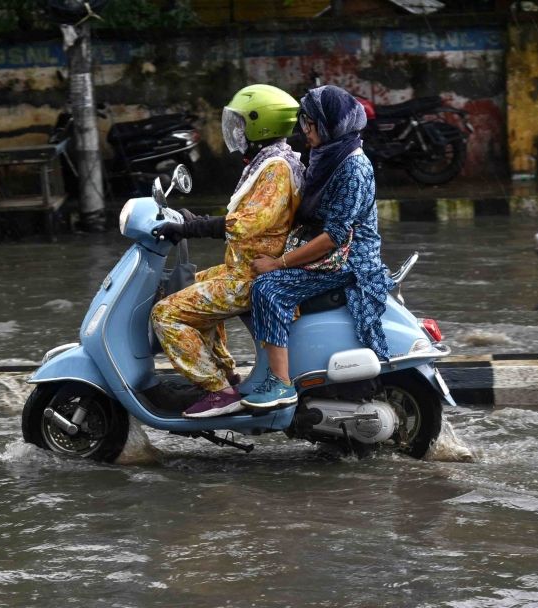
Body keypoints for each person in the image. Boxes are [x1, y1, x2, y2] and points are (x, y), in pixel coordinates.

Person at [150, 84, 303, 418]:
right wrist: (196, 220)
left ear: (259, 124)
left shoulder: (276, 168)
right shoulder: (268, 162)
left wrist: (194, 227)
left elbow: (250, 222)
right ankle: (227, 373)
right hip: (241, 268)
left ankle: (218, 391)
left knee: (166, 313)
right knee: (188, 288)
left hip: (251, 276)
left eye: (240, 123)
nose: (234, 131)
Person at [241, 84, 394, 409]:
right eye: (304, 123)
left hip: (348, 263)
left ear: (329, 125)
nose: (304, 131)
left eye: (310, 124)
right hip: (328, 253)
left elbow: (333, 237)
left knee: (268, 288)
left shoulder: (352, 168)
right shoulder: (328, 156)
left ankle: (280, 384)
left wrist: (278, 263)